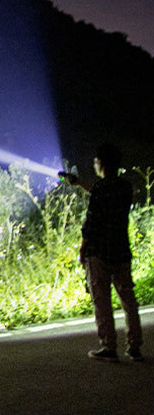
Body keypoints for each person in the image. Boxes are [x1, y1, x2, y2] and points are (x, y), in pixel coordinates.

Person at [65, 143, 144, 362]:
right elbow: (105, 192)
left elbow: (91, 223)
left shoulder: (100, 191)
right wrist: (81, 183)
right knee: (128, 300)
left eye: (96, 161)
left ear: (101, 164)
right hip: (121, 250)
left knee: (102, 301)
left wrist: (83, 248)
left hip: (99, 252)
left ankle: (109, 347)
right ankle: (135, 346)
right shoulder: (125, 187)